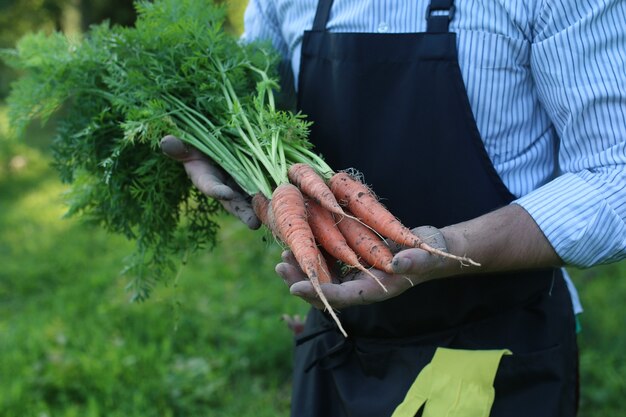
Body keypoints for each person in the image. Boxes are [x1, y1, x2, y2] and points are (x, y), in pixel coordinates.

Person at [161, 0, 626, 415]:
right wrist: (212, 151)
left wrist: (446, 246)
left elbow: (614, 178)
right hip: (337, 339)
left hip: (495, 354)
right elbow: (251, 98)